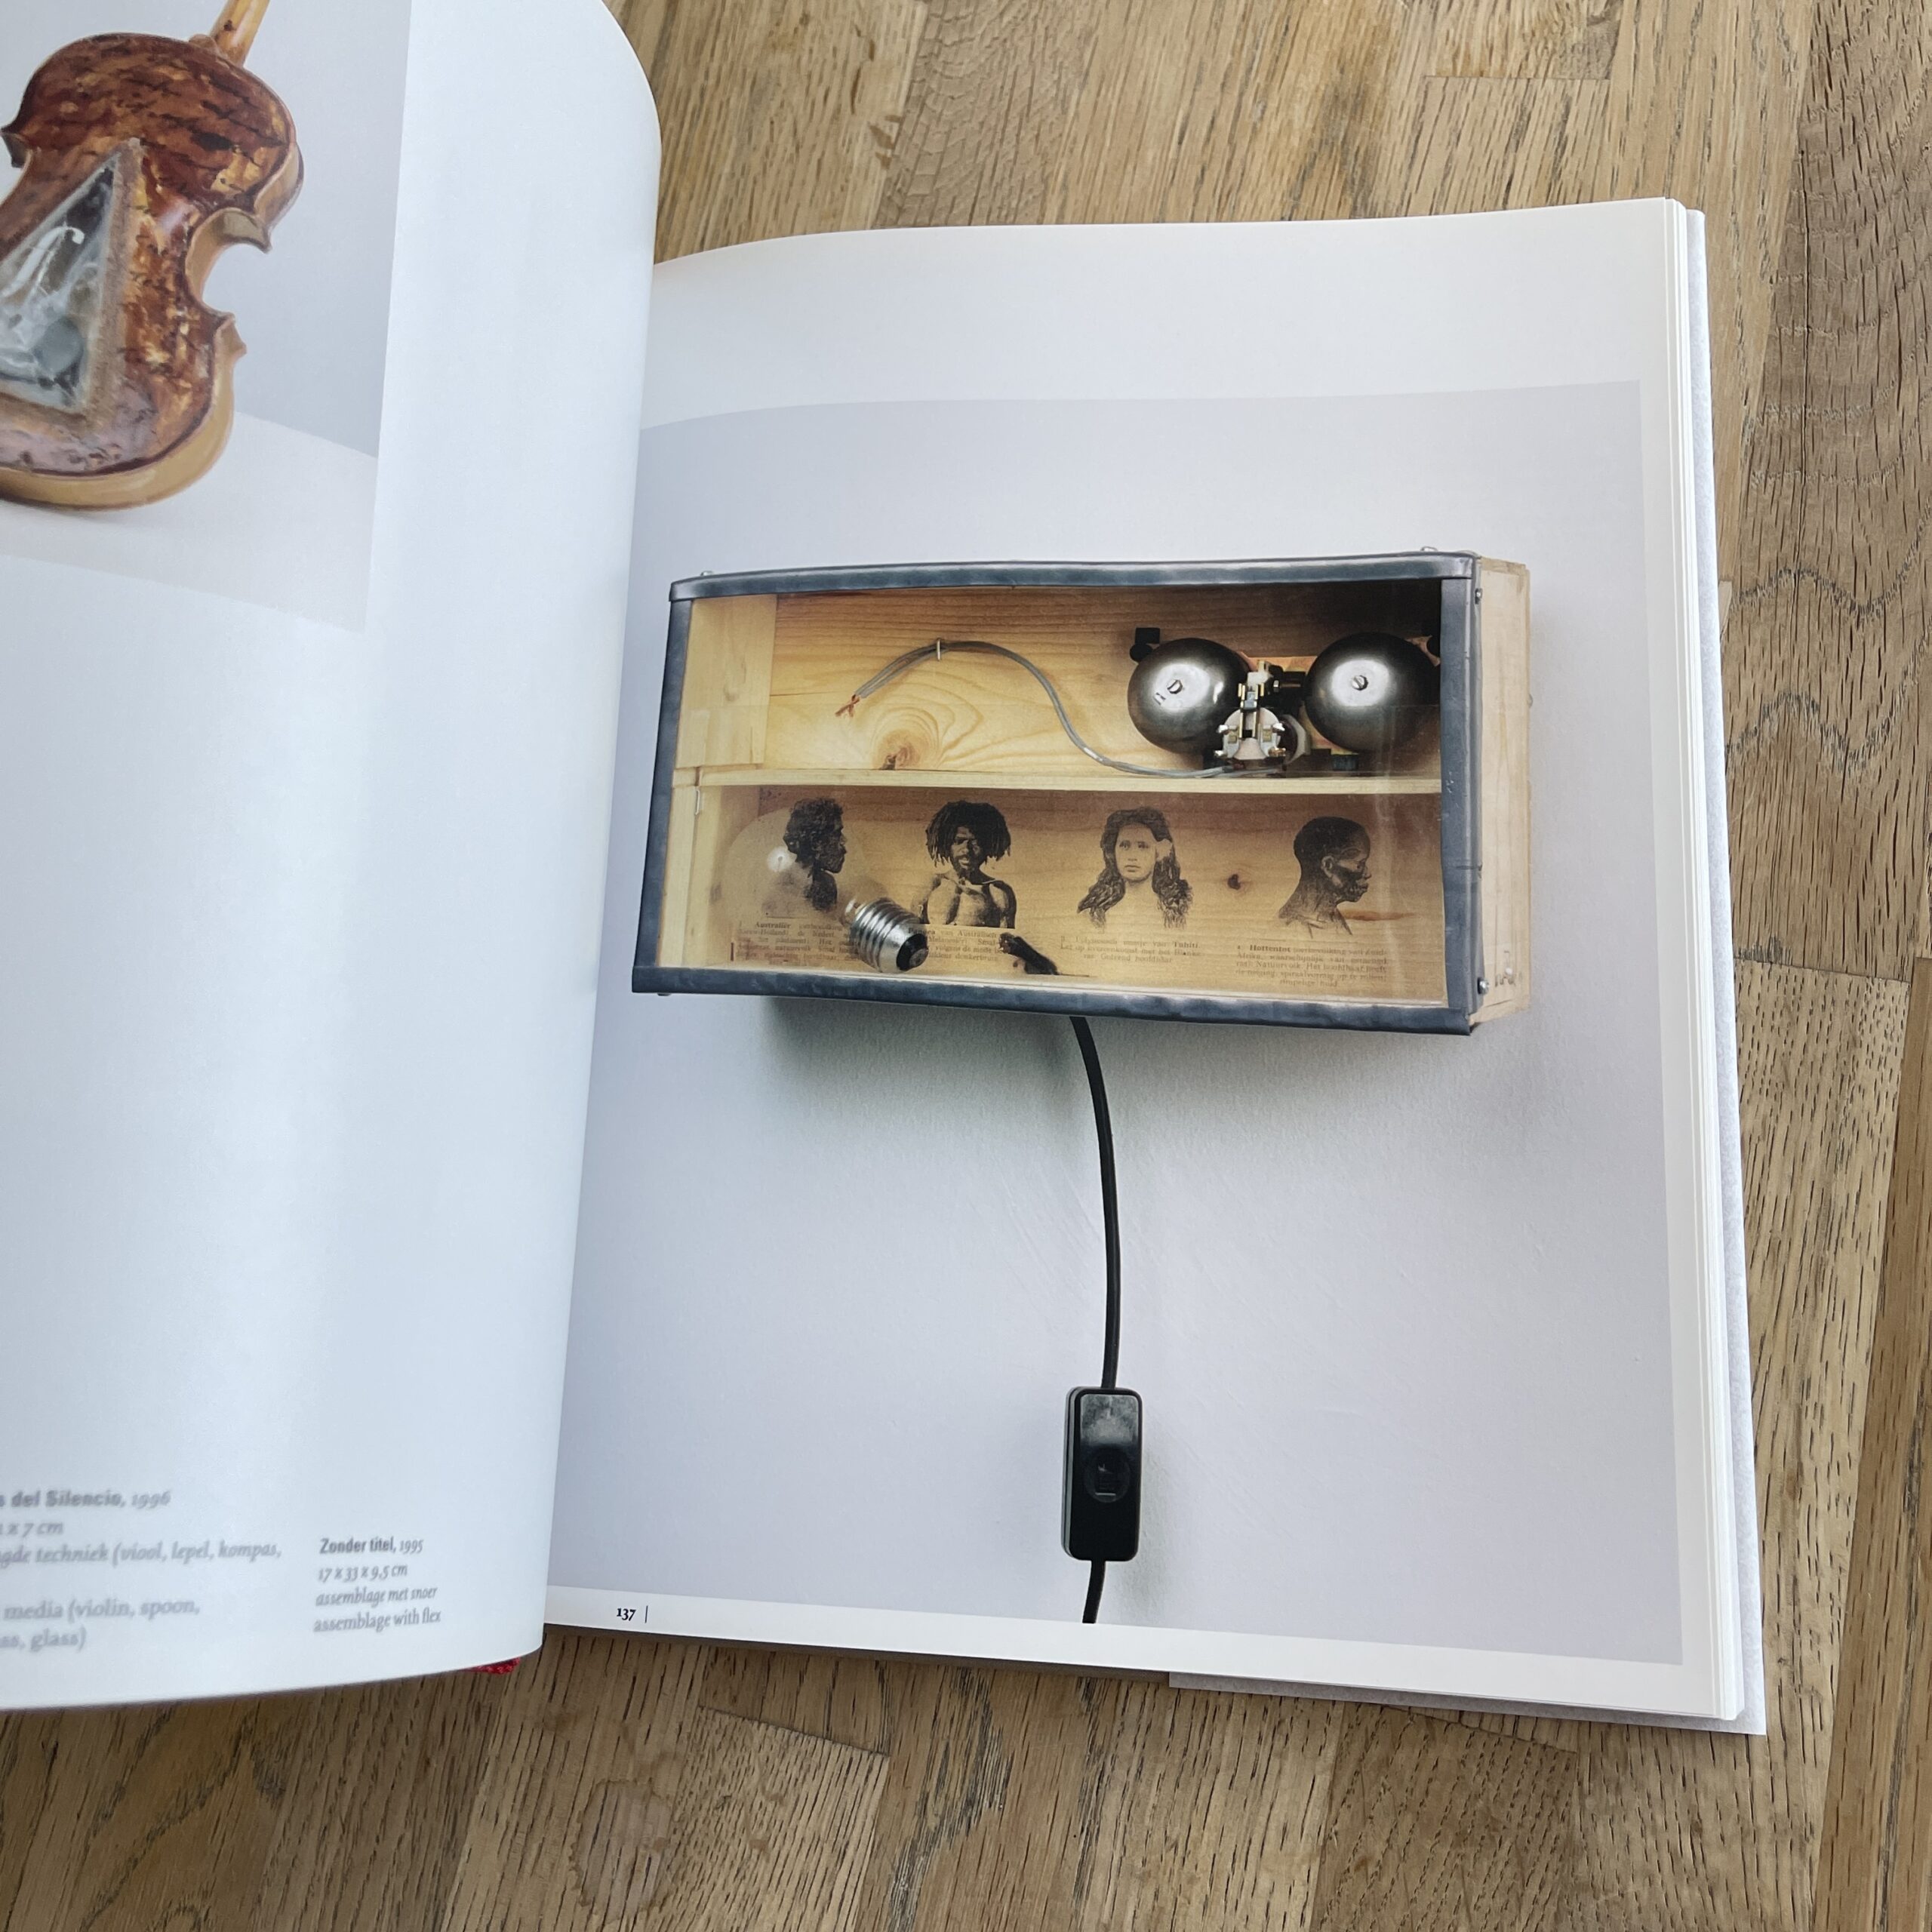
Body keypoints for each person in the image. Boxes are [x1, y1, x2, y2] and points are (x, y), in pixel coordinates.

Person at [1077, 807, 1191, 930]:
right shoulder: (1093, 917)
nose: (1132, 856)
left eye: (1142, 846)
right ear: (1113, 852)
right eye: (1124, 846)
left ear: (1159, 853)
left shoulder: (1178, 913)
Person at [915, 800, 1017, 928]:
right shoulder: (932, 885)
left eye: (975, 843)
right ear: (947, 844)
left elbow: (1006, 937)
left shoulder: (998, 893)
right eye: (959, 841)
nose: (967, 850)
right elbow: (912, 932)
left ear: (988, 846)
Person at [1278, 816, 1371, 934]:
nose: (1368, 874)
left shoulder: (1332, 918)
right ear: (1328, 866)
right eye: (1360, 864)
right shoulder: (1292, 927)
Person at [778, 797, 846, 914]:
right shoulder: (783, 887)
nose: (843, 842)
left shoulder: (827, 883)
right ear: (816, 842)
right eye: (837, 834)